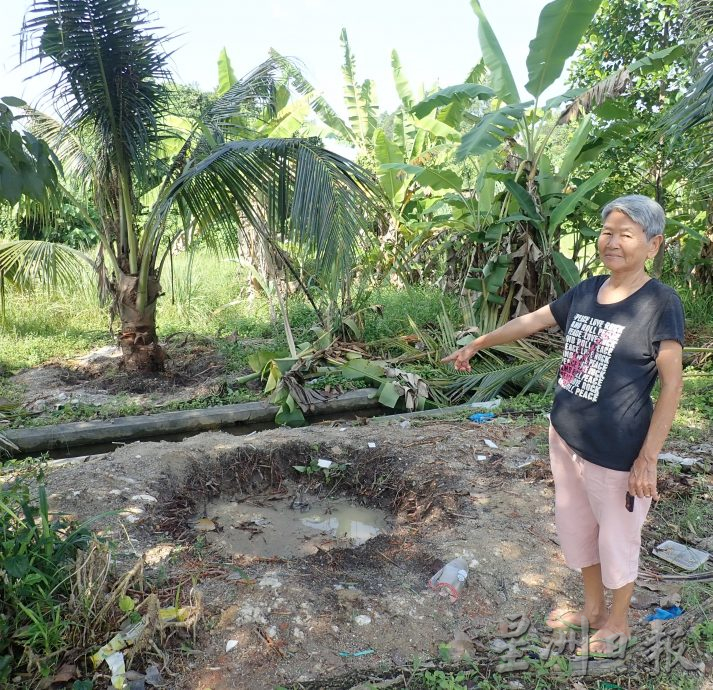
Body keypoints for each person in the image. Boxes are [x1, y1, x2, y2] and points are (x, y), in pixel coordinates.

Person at [442, 195, 684, 656]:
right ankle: (593, 609)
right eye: (607, 232)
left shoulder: (659, 302)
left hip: (617, 449)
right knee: (577, 527)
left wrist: (648, 458)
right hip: (566, 435)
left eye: (626, 235)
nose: (612, 242)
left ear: (652, 245)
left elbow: (672, 385)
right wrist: (479, 343)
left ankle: (618, 620)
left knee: (617, 535)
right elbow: (532, 321)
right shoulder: (587, 290)